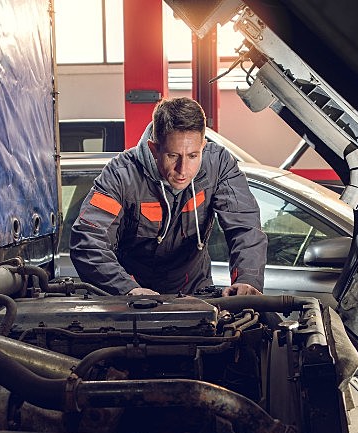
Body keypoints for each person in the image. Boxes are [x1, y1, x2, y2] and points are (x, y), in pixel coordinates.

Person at [70, 98, 267, 296]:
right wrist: (127, 289)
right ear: (154, 148)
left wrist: (247, 280)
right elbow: (88, 240)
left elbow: (246, 228)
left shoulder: (219, 165)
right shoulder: (120, 176)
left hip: (195, 293)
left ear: (203, 146)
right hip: (132, 296)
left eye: (193, 156)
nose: (183, 170)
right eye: (173, 156)